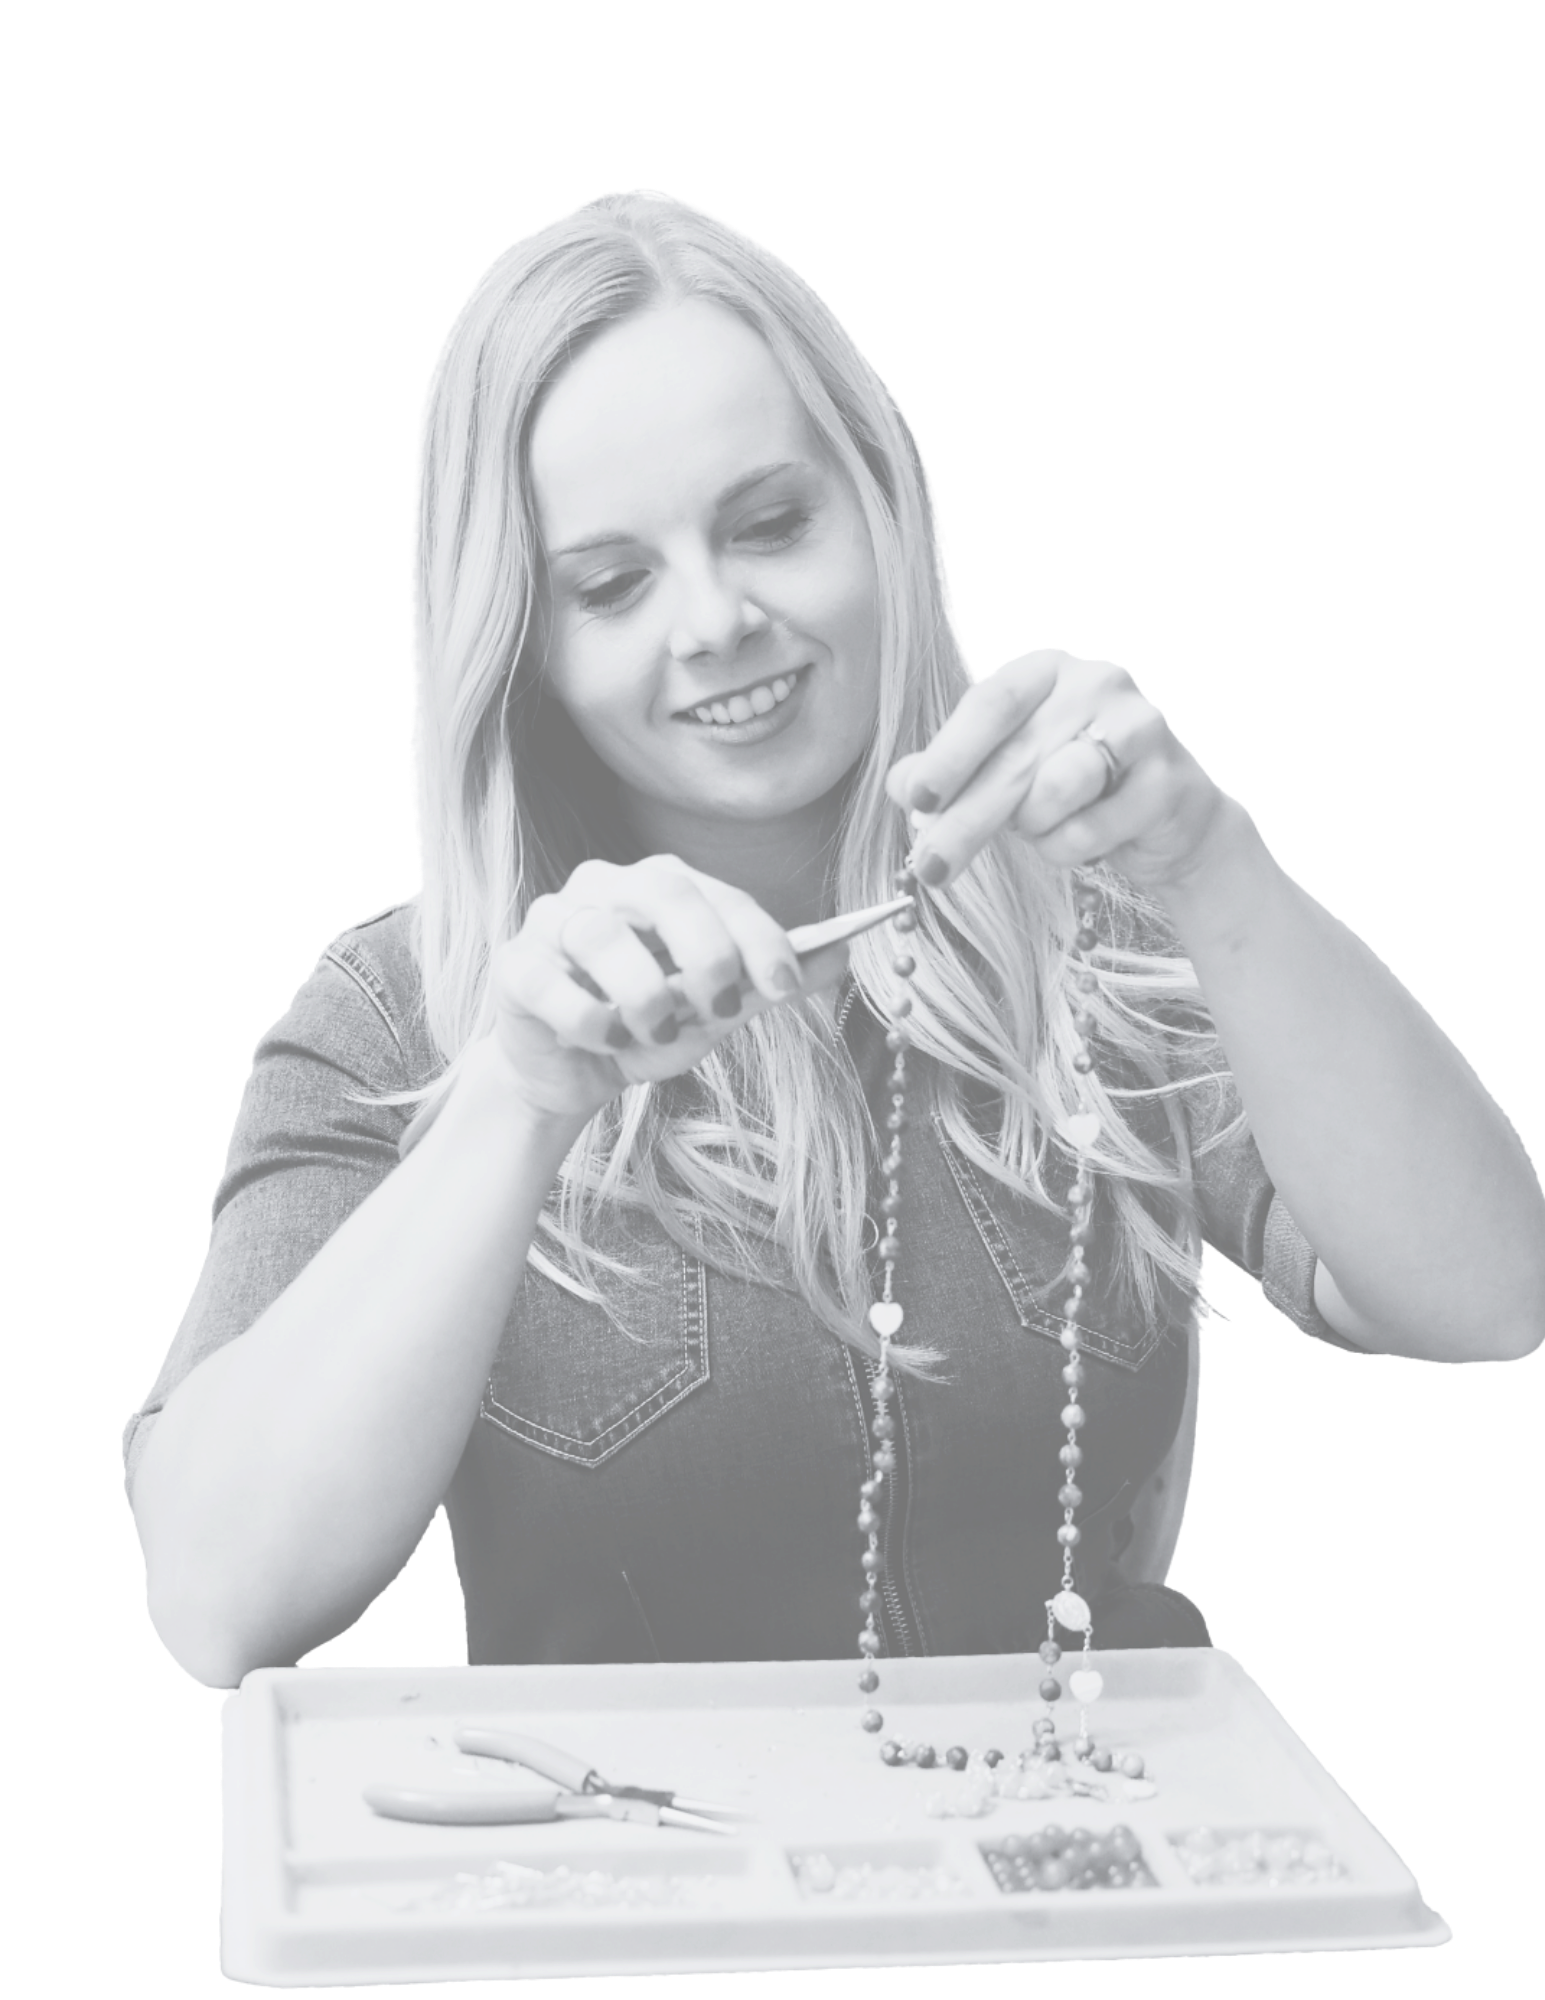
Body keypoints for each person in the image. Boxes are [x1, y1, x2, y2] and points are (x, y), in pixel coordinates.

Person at [122, 190, 1544, 1692]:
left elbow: (1487, 1298)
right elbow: (219, 1606)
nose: (715, 621)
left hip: (1090, 1828)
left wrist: (1216, 865)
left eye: (771, 524)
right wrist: (520, 1100)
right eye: (612, 585)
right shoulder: (391, 1015)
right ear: (524, 645)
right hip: (633, 1847)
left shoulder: (1111, 925)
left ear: (883, 507)